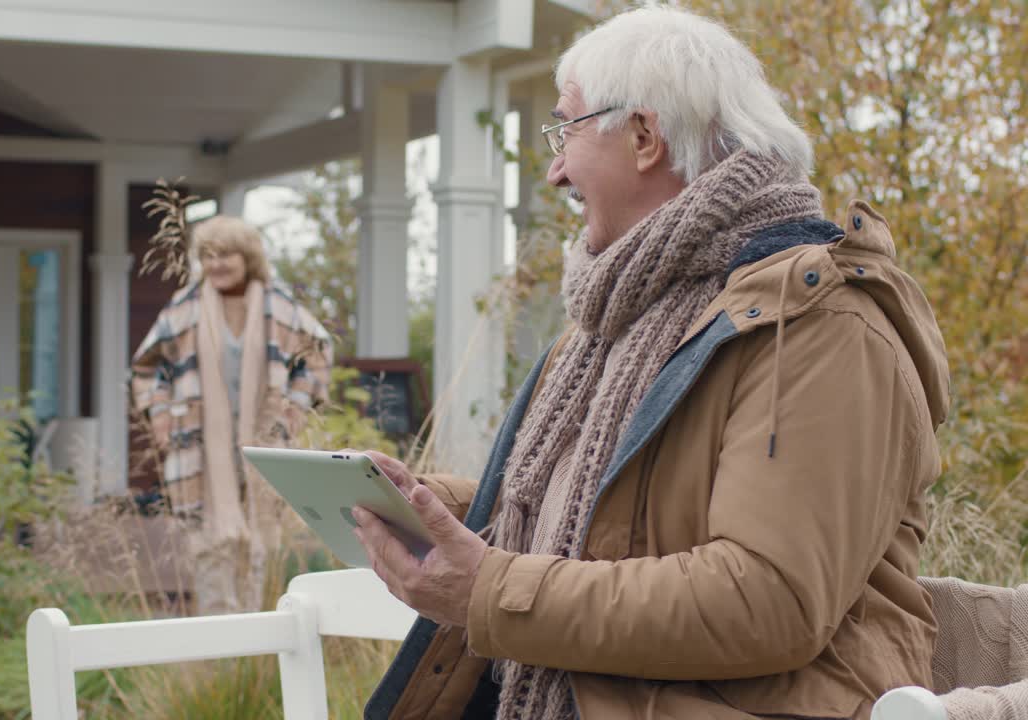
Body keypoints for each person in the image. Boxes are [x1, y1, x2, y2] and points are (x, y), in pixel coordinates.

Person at [355, 6, 950, 720]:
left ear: (644, 136)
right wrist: (426, 507)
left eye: (564, 129)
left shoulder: (822, 327)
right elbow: (612, 515)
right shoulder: (613, 321)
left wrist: (489, 586)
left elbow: (766, 600)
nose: (553, 171)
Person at [130, 214, 332, 615]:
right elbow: (145, 366)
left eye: (227, 255)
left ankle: (258, 650)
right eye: (209, 256)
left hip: (265, 444)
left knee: (262, 548)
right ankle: (221, 650)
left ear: (248, 258)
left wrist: (294, 406)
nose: (217, 264)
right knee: (209, 548)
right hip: (199, 449)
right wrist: (160, 411)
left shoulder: (279, 307)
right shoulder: (184, 308)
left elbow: (318, 353)